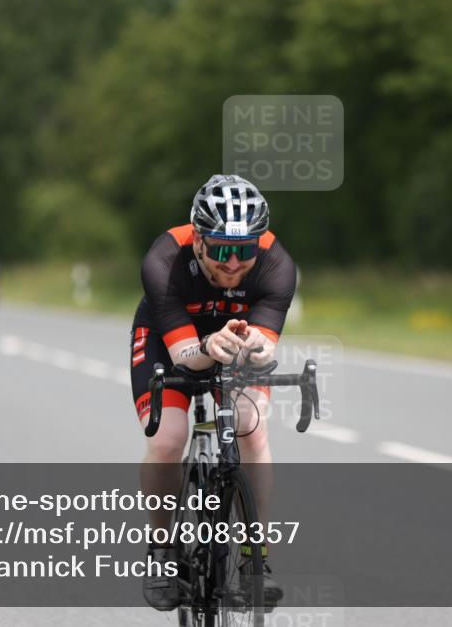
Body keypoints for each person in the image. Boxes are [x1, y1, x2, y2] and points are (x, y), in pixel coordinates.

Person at [131, 175, 296, 610]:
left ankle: (253, 559)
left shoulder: (277, 264)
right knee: (167, 440)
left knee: (251, 428)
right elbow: (185, 355)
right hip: (172, 338)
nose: (232, 263)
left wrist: (256, 351)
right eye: (222, 250)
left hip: (234, 337)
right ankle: (163, 551)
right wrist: (207, 346)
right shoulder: (164, 259)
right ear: (198, 240)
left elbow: (264, 343)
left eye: (244, 252)